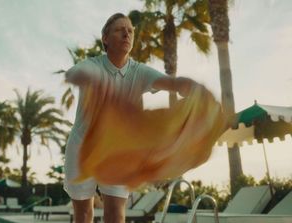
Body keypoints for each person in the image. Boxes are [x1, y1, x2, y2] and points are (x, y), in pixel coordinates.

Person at [64, 13, 202, 223]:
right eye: (120, 29)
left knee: (116, 213)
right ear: (106, 38)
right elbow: (75, 73)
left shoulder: (139, 71)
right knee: (83, 213)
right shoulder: (92, 65)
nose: (127, 34)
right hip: (83, 147)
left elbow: (171, 83)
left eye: (130, 31)